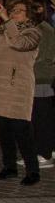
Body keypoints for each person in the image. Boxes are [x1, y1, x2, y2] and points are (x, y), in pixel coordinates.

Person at [0, 0, 42, 185]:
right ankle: (9, 167)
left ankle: (33, 171)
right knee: (2, 130)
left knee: (22, 131)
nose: (14, 13)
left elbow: (19, 43)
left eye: (19, 10)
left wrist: (6, 20)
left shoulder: (33, 32)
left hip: (17, 87)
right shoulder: (1, 31)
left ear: (29, 15)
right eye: (12, 10)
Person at [31, 11, 55, 168]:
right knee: (39, 117)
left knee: (42, 118)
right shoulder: (40, 28)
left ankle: (45, 154)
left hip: (42, 77)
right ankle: (45, 151)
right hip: (38, 77)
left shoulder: (44, 30)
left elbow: (46, 56)